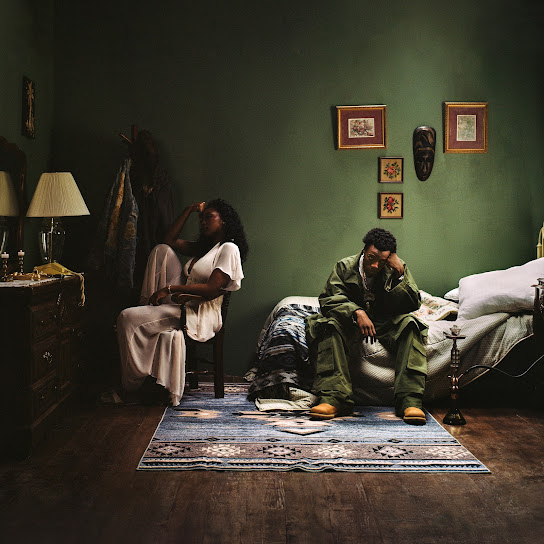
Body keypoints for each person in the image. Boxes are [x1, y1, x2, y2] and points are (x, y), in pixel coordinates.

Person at [116, 199, 248, 405]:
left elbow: (212, 288)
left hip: (200, 314)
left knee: (126, 317)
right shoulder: (205, 249)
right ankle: (150, 313)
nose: (203, 222)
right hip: (183, 305)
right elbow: (169, 239)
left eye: (209, 217)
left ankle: (131, 386)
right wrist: (189, 209)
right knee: (162, 250)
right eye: (201, 218)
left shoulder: (229, 248)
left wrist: (170, 289)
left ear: (224, 221)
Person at [305, 228, 428, 424]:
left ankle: (410, 401)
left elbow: (413, 303)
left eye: (382, 261)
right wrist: (356, 311)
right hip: (351, 321)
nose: (375, 265)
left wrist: (400, 274)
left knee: (410, 324)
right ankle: (334, 398)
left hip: (384, 320)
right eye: (371, 257)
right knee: (329, 325)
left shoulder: (395, 268)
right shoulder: (345, 267)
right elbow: (328, 299)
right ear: (364, 250)